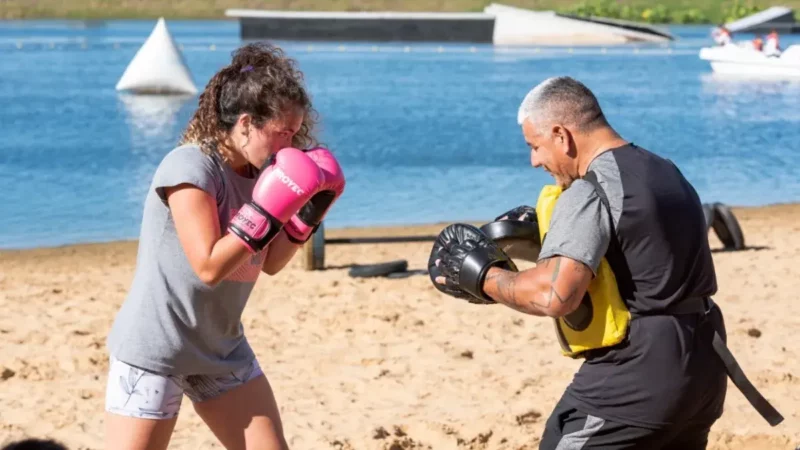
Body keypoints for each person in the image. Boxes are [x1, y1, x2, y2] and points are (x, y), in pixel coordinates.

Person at [429, 76, 782, 449]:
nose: (534, 161)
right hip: (703, 368)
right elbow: (644, 260)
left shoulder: (590, 189)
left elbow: (555, 296)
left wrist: (483, 276)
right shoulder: (667, 171)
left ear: (561, 135)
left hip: (638, 376)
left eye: (535, 146)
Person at [104, 42, 346, 450]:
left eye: (295, 131)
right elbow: (209, 267)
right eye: (282, 131)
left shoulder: (264, 175)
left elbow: (269, 263)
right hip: (157, 349)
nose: (291, 143)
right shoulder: (189, 167)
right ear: (247, 122)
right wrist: (270, 208)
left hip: (221, 346)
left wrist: (310, 212)